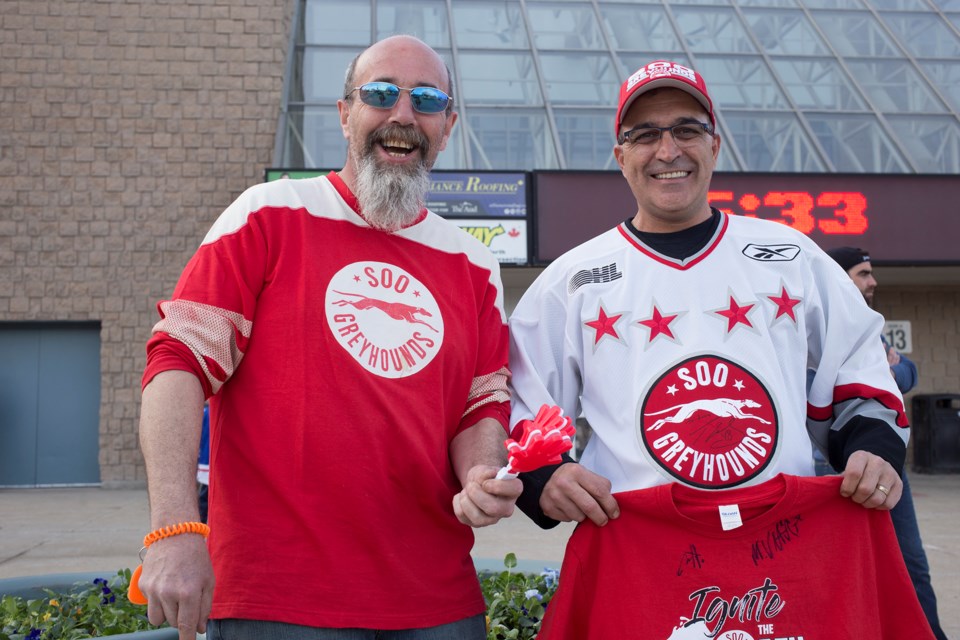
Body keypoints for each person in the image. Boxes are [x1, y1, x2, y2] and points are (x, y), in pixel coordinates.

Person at [136, 35, 522, 640]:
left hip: (439, 601)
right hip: (278, 599)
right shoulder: (268, 213)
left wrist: (480, 475)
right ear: (345, 114)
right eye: (380, 94)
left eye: (425, 100)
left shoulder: (473, 263)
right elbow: (177, 363)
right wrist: (174, 529)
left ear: (446, 127)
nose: (402, 115)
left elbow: (481, 404)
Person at [508, 60, 909, 529]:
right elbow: (525, 395)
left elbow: (859, 358)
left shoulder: (790, 253)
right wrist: (547, 474)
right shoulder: (573, 278)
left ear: (714, 147)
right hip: (636, 542)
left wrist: (872, 446)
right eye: (645, 135)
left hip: (781, 536)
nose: (667, 150)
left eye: (686, 130)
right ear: (621, 157)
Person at [819, 246, 947, 640]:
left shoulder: (870, 325)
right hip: (826, 472)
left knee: (910, 562)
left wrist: (892, 366)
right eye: (863, 273)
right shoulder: (812, 328)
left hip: (883, 464)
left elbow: (906, 375)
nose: (872, 281)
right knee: (834, 570)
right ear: (840, 279)